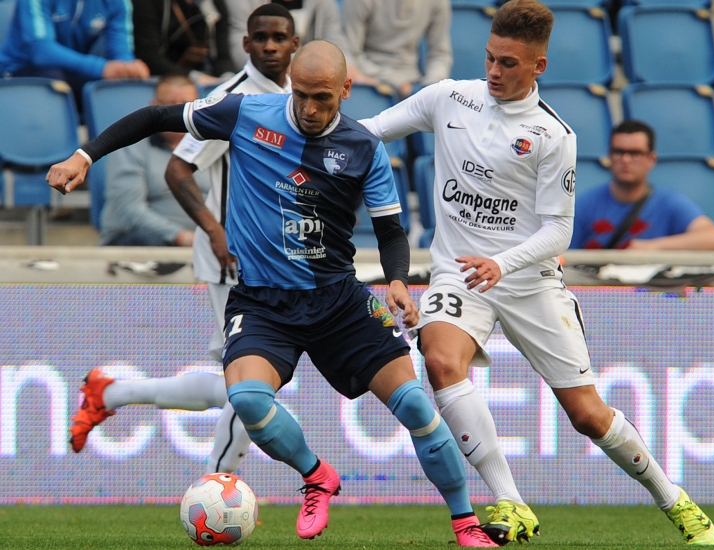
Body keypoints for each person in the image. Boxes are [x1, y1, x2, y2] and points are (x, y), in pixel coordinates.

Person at [48, 40, 497, 547]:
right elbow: (156, 116)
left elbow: (391, 232)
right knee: (247, 398)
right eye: (301, 95)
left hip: (339, 300)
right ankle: (315, 475)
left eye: (322, 98)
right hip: (261, 301)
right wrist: (84, 155)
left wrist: (397, 279)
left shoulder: (364, 148)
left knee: (416, 405)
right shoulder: (245, 111)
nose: (308, 109)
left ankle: (466, 523)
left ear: (346, 89)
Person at [360, 0, 714, 545]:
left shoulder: (554, 136)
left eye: (508, 63)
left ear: (538, 67)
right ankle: (510, 499)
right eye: (490, 59)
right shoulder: (448, 98)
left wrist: (501, 262)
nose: (495, 72)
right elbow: (368, 132)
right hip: (459, 274)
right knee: (439, 360)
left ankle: (674, 498)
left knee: (588, 416)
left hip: (527, 282)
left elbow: (558, 232)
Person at [68, 4, 301, 477]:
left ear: (295, 43)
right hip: (232, 258)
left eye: (280, 37)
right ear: (245, 44)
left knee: (243, 385)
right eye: (261, 38)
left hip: (279, 261)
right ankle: (219, 487)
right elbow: (179, 169)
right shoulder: (231, 99)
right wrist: (215, 232)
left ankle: (110, 393)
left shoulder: (302, 95)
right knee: (250, 386)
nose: (271, 46)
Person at [570, 120, 714, 251]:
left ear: (652, 159)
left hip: (651, 289)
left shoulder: (668, 203)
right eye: (619, 152)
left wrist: (652, 247)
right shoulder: (586, 205)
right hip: (598, 288)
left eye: (635, 153)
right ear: (609, 156)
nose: (626, 160)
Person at [97, 75, 209, 247]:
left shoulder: (213, 146)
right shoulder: (130, 145)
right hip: (142, 238)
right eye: (170, 104)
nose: (177, 111)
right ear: (154, 106)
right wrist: (182, 237)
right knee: (148, 240)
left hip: (205, 240)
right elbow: (129, 210)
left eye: (186, 105)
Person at [0, 0, 150, 96]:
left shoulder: (120, 2)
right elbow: (41, 52)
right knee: (55, 81)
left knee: (126, 86)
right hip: (20, 69)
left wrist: (128, 69)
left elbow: (121, 52)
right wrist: (101, 68)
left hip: (75, 71)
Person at [342, 0, 452, 99]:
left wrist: (431, 89)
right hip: (368, 84)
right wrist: (397, 82)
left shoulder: (438, 2)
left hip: (413, 85)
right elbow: (350, 54)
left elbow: (440, 54)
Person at [131, 0, 235, 87]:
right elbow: (148, 55)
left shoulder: (214, 3)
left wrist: (229, 80)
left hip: (203, 78)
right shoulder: (147, 3)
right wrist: (194, 77)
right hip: (160, 80)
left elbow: (222, 55)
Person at [225, 0, 345, 71]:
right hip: (256, 74)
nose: (270, 47)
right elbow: (238, 45)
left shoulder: (324, 3)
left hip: (312, 73)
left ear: (295, 43)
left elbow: (335, 39)